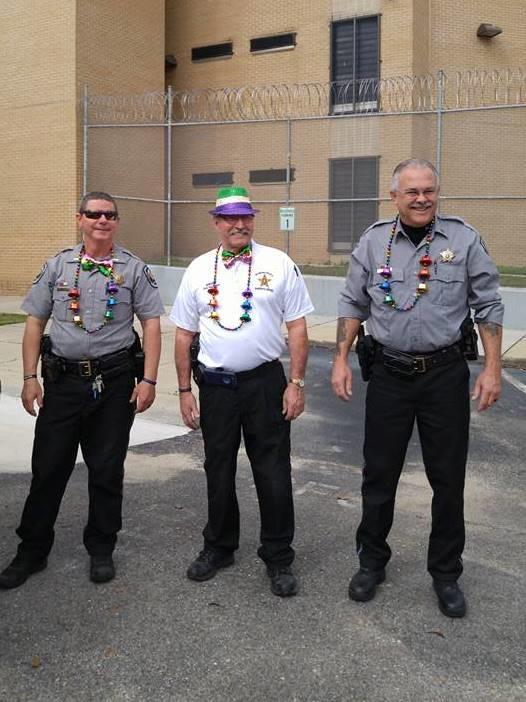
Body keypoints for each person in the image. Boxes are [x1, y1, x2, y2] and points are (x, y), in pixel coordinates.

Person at [331, 159, 503, 618]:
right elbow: (352, 302)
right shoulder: (373, 242)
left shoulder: (463, 239)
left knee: (447, 479)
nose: (422, 198)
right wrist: (341, 359)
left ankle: (446, 573)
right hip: (388, 375)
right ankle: (371, 562)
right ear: (394, 197)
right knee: (378, 475)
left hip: (444, 375)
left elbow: (487, 303)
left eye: (429, 190)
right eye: (412, 192)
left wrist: (492, 369)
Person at [0, 191, 164, 589]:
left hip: (114, 384)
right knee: (49, 469)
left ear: (116, 221)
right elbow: (35, 323)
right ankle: (32, 551)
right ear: (80, 219)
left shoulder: (133, 269)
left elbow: (152, 324)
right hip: (63, 384)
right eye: (93, 214)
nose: (101, 220)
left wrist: (149, 381)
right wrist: (28, 377)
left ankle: (101, 548)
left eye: (109, 214)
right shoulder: (58, 267)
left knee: (107, 470)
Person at [171, 185, 313, 597]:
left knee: (272, 472)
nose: (239, 224)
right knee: (218, 468)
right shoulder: (198, 269)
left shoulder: (279, 263)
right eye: (230, 217)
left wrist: (296, 382)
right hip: (216, 387)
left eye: (245, 216)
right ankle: (219, 546)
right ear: (216, 223)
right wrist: (184, 390)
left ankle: (278, 556)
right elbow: (183, 334)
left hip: (264, 384)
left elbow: (298, 326)